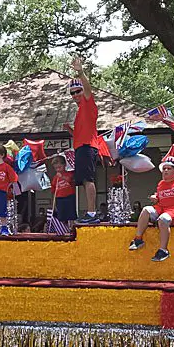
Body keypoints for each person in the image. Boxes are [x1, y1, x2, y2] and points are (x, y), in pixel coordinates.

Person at [64, 57, 109, 225]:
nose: (75, 95)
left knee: (88, 180)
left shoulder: (89, 104)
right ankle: (90, 212)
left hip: (88, 147)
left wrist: (80, 72)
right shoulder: (80, 111)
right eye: (72, 93)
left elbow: (89, 89)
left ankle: (92, 213)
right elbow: (81, 133)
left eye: (78, 91)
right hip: (81, 147)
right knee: (83, 181)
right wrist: (70, 130)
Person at [128, 157, 174, 262]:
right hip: (161, 208)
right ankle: (138, 239)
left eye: (169, 169)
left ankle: (163, 250)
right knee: (146, 210)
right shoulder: (161, 184)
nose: (165, 171)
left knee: (163, 219)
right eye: (164, 168)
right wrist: (155, 197)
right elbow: (159, 197)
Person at [50, 155, 77, 225]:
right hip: (59, 198)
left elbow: (70, 180)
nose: (58, 169)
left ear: (64, 165)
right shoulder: (55, 178)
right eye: (56, 168)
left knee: (71, 215)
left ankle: (72, 228)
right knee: (61, 215)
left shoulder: (69, 174)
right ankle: (63, 228)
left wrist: (62, 177)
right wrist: (54, 202)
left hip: (69, 196)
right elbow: (53, 190)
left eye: (59, 167)